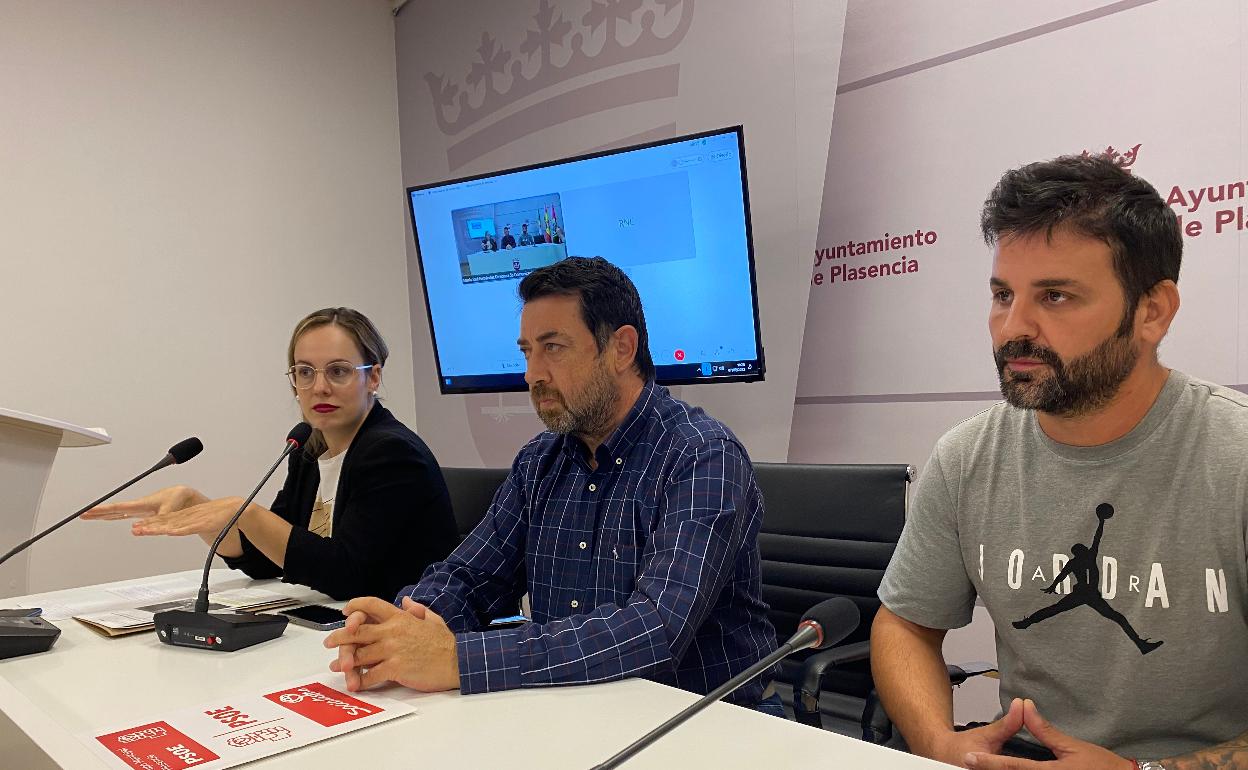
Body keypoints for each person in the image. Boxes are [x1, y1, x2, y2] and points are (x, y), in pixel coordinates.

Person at [871, 155, 1248, 769]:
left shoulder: (1236, 459)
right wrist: (939, 743)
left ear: (1153, 311)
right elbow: (906, 625)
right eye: (1002, 295)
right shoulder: (967, 456)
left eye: (1055, 296)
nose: (1013, 328)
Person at [324, 257, 782, 715]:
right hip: (569, 711)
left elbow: (655, 628)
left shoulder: (702, 456)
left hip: (705, 721)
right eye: (527, 351)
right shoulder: (540, 461)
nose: (532, 374)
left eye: (553, 348)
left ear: (621, 348)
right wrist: (403, 625)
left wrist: (459, 659)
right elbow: (471, 575)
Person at [84, 307, 459, 601]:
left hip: (406, 632)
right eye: (305, 372)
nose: (319, 387)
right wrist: (196, 506)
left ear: (373, 377)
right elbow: (264, 558)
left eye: (339, 371)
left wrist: (244, 512)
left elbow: (346, 575)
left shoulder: (390, 452)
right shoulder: (308, 450)